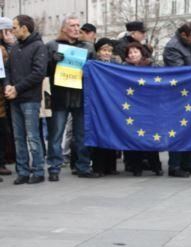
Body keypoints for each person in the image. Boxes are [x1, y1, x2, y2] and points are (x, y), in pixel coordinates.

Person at [46, 16, 98, 181]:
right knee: (56, 134)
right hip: (59, 96)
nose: (77, 29)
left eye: (78, 26)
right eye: (72, 25)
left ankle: (83, 166)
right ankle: (54, 168)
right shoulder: (52, 46)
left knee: (82, 134)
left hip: (81, 96)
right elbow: (43, 72)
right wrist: (52, 63)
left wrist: (87, 70)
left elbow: (96, 72)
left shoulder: (88, 47)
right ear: (64, 29)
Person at [4, 15, 47, 184]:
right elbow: (7, 70)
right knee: (18, 137)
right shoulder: (15, 48)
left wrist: (17, 88)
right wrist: (7, 85)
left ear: (24, 28)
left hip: (30, 98)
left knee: (32, 136)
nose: (12, 31)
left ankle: (37, 170)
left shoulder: (38, 46)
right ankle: (22, 171)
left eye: (14, 27)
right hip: (15, 98)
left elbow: (38, 73)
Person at [163, 22, 191, 178]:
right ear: (184, 35)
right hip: (177, 95)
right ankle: (175, 165)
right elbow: (180, 71)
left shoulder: (186, 44)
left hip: (188, 94)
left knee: (189, 129)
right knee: (177, 130)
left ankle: (186, 163)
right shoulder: (173, 47)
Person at [122, 42, 163, 177]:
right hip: (132, 107)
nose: (133, 55)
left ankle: (155, 165)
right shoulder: (123, 69)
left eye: (135, 51)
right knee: (134, 135)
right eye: (130, 53)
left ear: (141, 52)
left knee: (151, 135)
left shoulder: (152, 66)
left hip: (150, 106)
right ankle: (136, 166)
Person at [91, 38, 119, 177]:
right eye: (103, 50)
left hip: (112, 104)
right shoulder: (93, 65)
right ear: (97, 52)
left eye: (109, 51)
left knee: (112, 133)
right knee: (99, 133)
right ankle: (98, 167)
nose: (106, 53)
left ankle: (111, 166)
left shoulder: (116, 65)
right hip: (97, 104)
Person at [0, 17, 13, 178]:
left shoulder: (7, 48)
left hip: (3, 94)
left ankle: (2, 161)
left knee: (3, 130)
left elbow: (9, 67)